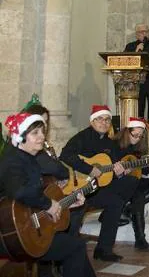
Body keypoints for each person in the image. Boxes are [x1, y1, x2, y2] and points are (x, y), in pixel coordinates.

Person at [0, 112, 96, 277]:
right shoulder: (13, 160)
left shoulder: (28, 157)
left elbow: (35, 193)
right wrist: (49, 204)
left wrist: (66, 202)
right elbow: (20, 191)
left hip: (30, 227)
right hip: (12, 234)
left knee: (74, 245)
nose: (42, 137)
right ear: (20, 136)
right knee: (75, 247)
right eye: (35, 133)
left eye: (42, 132)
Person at [60, 105, 139, 262]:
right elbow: (65, 155)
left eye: (107, 119)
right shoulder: (81, 137)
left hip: (98, 187)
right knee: (78, 212)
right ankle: (65, 255)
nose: (104, 122)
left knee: (127, 187)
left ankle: (103, 250)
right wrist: (89, 169)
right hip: (80, 188)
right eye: (100, 119)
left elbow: (112, 169)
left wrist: (120, 171)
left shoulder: (110, 144)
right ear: (92, 121)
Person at [113, 117, 149, 249]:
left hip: (135, 180)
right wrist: (121, 171)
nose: (137, 138)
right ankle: (140, 239)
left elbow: (139, 169)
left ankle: (128, 210)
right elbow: (109, 167)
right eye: (135, 135)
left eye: (140, 136)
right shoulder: (114, 145)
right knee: (138, 197)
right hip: (118, 183)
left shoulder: (137, 148)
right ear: (127, 131)